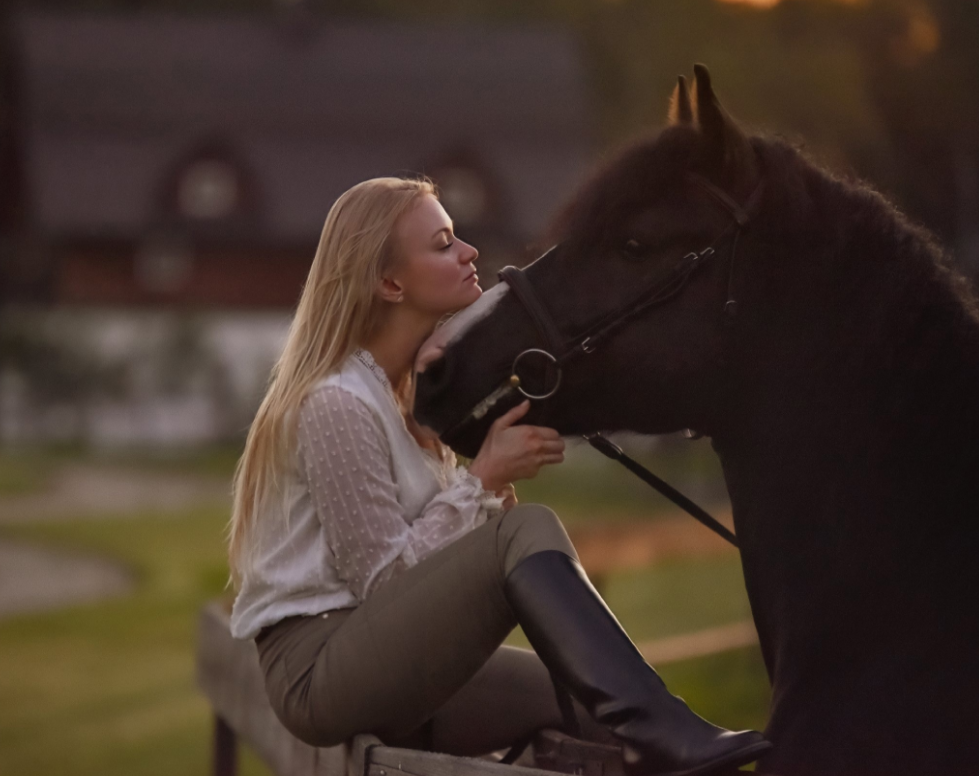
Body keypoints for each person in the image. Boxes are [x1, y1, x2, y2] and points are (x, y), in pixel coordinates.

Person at [227, 177, 769, 776]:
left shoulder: (400, 395)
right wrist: (482, 480)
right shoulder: (338, 403)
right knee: (527, 530)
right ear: (390, 284)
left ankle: (660, 730)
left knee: (594, 712)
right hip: (319, 670)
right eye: (443, 244)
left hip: (374, 658)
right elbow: (383, 584)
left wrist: (475, 460)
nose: (470, 253)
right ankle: (662, 727)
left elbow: (435, 578)